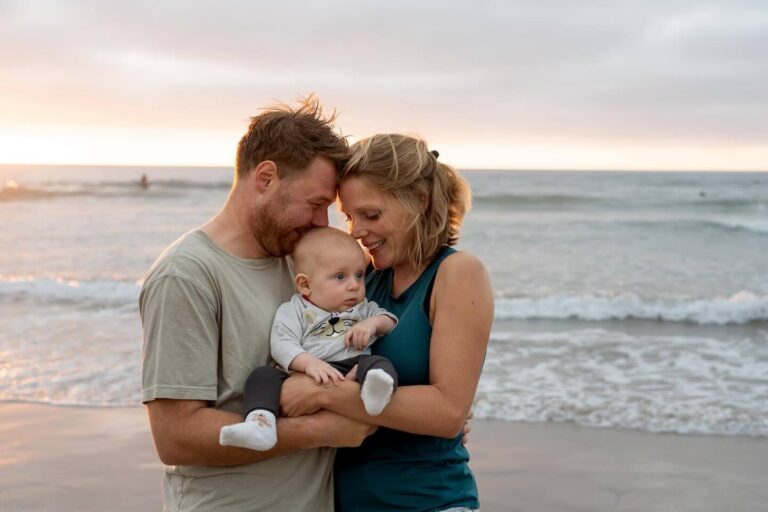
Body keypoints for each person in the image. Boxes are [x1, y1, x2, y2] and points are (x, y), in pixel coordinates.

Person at [139, 97, 376, 512]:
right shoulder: (188, 275)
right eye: (316, 203)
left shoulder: (303, 263)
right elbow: (175, 436)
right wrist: (321, 429)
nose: (323, 222)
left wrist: (426, 421)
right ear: (266, 177)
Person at [280, 134, 494, 511]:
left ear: (420, 201)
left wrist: (320, 392)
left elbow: (446, 413)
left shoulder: (458, 272)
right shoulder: (363, 281)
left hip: (429, 501)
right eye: (349, 217)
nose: (356, 232)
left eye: (371, 215)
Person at [219, 227, 399, 452]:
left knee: (378, 365)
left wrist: (372, 323)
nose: (354, 285)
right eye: (340, 277)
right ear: (305, 284)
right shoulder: (295, 310)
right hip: (305, 372)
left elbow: (390, 321)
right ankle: (260, 423)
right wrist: (309, 363)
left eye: (359, 275)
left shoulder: (362, 309)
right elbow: (282, 343)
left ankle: (376, 392)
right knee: (262, 376)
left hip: (351, 366)